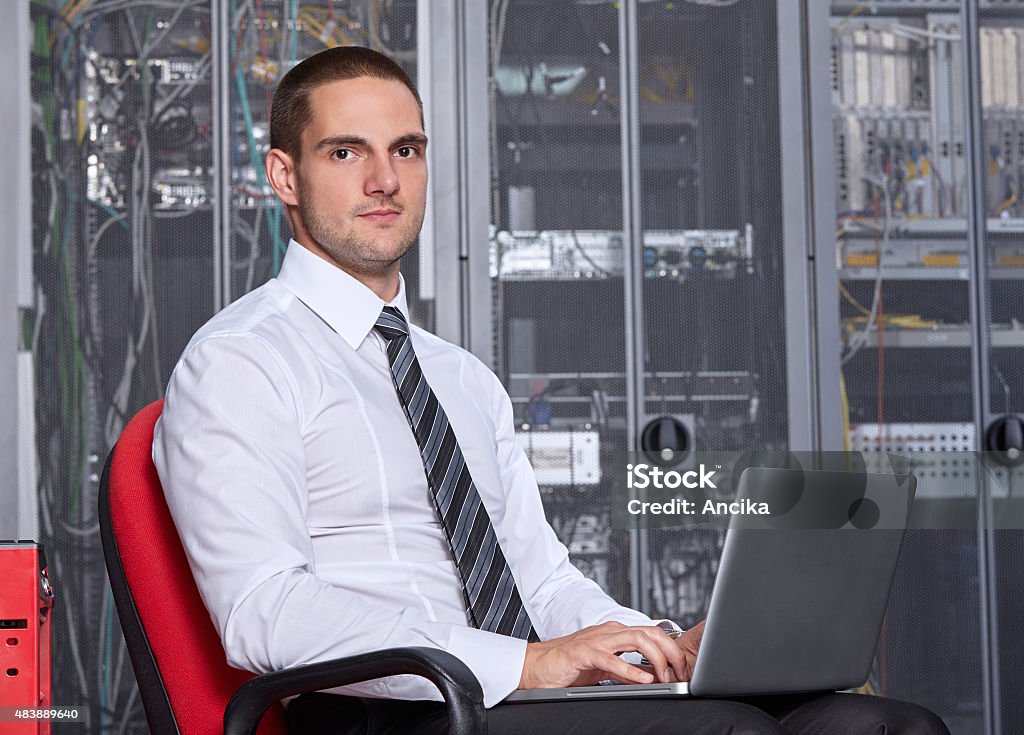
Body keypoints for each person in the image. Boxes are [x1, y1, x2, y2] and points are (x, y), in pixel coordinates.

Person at [153, 46, 949, 735]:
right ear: (283, 175)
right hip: (394, 709)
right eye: (345, 153)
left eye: (406, 149)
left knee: (882, 722)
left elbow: (540, 578)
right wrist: (529, 663)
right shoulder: (240, 361)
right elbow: (267, 613)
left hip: (518, 702)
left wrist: (657, 642)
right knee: (726, 729)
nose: (385, 180)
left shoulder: (462, 378)